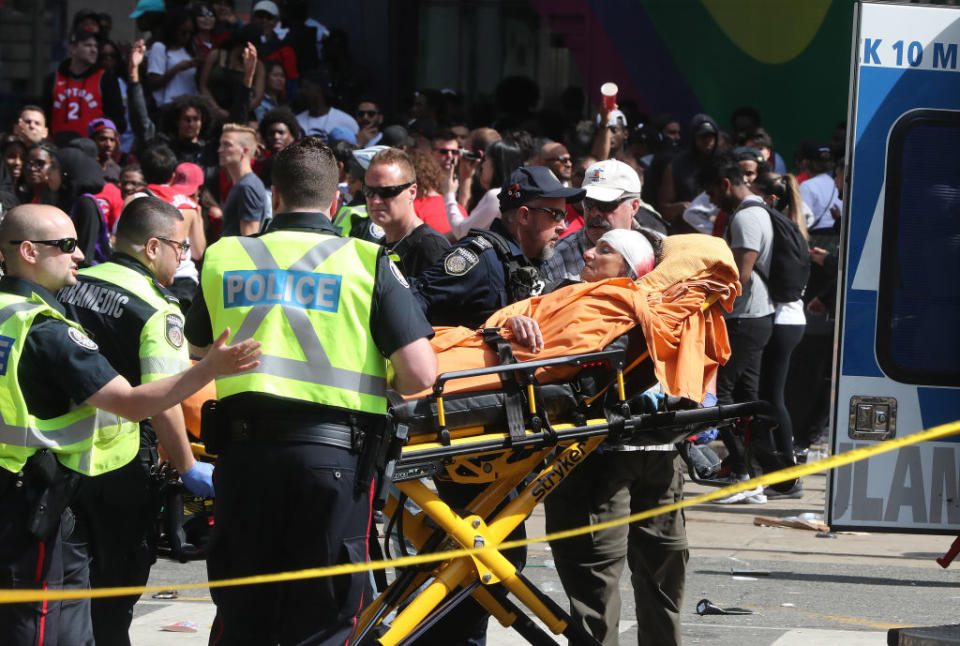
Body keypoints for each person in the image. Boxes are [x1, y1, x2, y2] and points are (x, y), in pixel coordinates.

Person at [184, 136, 437, 645]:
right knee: (324, 620)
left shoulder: (223, 255)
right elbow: (419, 377)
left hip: (243, 459)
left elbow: (197, 351)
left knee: (243, 614)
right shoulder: (368, 261)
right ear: (336, 201)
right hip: (334, 465)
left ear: (274, 196)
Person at [0, 203, 260, 646]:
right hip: (79, 479)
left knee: (60, 600)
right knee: (73, 609)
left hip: (44, 480)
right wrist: (206, 378)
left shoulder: (42, 299)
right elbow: (148, 403)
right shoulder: (145, 311)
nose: (77, 255)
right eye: (66, 246)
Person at [58, 196, 213, 646]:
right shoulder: (157, 309)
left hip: (58, 459)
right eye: (180, 248)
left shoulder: (71, 282)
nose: (182, 258)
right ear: (152, 247)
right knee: (116, 594)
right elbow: (164, 401)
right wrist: (187, 468)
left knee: (67, 592)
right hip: (120, 466)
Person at [540, 229, 690, 646]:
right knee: (594, 584)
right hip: (595, 459)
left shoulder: (661, 308)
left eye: (604, 250)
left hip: (660, 456)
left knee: (664, 574)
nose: (587, 252)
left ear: (629, 267)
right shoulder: (565, 298)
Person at [413, 165, 584, 328]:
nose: (563, 226)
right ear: (524, 215)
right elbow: (413, 298)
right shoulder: (481, 258)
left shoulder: (534, 257)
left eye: (565, 215)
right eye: (556, 215)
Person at [701, 153, 775, 482]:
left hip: (746, 318)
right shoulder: (757, 211)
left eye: (714, 194)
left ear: (726, 184)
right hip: (757, 316)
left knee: (723, 393)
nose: (714, 202)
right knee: (747, 396)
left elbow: (740, 277)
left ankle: (742, 465)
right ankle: (753, 467)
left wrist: (708, 302)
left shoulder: (746, 217)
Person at [751, 172, 809, 498]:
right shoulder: (792, 225)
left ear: (770, 200)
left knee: (773, 397)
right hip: (792, 318)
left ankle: (788, 477)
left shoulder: (772, 224)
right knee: (771, 395)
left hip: (782, 319)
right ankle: (779, 471)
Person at [541, 159, 664, 285]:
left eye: (605, 204)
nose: (594, 213)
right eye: (588, 203)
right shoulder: (557, 258)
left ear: (634, 206)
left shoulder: (663, 248)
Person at [366, 148, 451, 278]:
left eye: (387, 191)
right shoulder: (380, 245)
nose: (376, 200)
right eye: (369, 191)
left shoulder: (431, 247)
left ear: (412, 192)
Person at [46, 28, 126, 140]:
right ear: (73, 48)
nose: (94, 50)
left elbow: (118, 121)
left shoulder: (106, 80)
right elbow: (45, 117)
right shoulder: (53, 79)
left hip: (92, 150)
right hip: (58, 148)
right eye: (88, 45)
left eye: (96, 46)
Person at [442, 139, 524, 240]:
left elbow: (462, 232)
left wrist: (449, 194)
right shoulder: (516, 192)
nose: (482, 165)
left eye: (485, 160)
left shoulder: (496, 196)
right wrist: (466, 177)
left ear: (496, 164)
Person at [218, 124, 268, 236]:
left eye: (227, 145)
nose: (220, 150)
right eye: (220, 144)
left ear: (245, 151)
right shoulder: (241, 184)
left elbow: (250, 237)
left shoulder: (247, 187)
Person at [146, 8, 200, 108]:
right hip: (170, 106)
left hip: (191, 104)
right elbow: (153, 83)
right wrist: (177, 68)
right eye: (183, 32)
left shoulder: (191, 50)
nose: (187, 37)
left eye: (190, 33)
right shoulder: (160, 48)